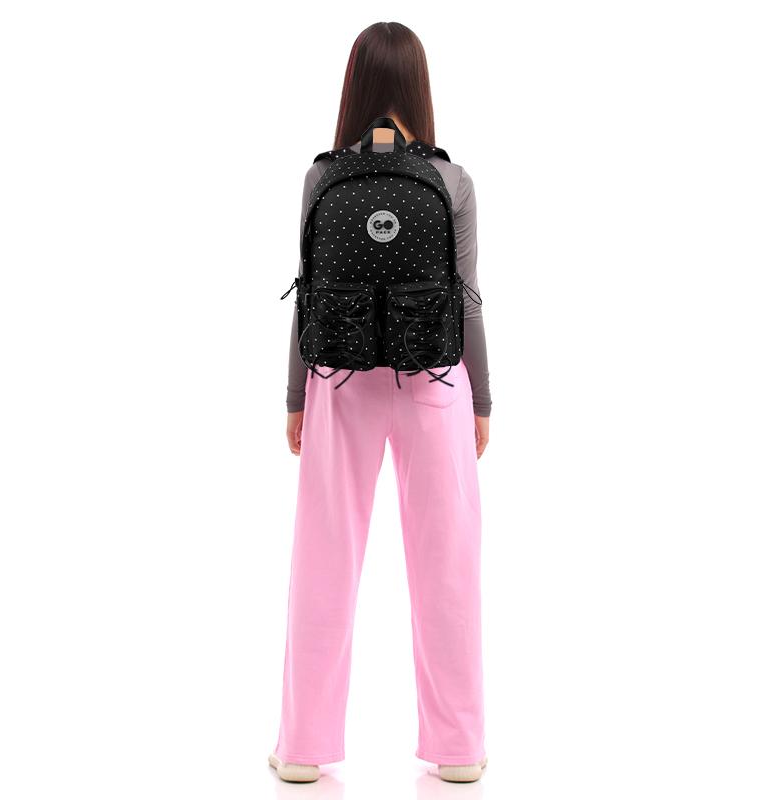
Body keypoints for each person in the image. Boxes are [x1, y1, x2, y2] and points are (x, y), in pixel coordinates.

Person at [269, 21, 492, 784]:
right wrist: (482, 400)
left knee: (324, 556)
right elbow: (468, 299)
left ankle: (302, 748)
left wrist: (295, 395)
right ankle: (459, 749)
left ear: (355, 86)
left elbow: (306, 294)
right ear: (419, 88)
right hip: (437, 384)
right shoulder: (451, 180)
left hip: (338, 382)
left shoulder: (321, 179)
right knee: (447, 561)